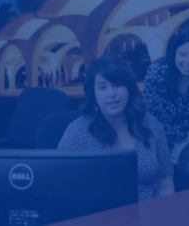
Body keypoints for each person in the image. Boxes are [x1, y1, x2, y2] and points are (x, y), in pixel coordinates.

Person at [58, 54, 174, 202]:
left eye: (117, 85)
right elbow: (61, 187)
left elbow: (165, 186)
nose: (111, 94)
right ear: (93, 92)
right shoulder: (77, 131)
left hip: (149, 216)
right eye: (102, 87)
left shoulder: (151, 125)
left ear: (129, 88)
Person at [143, 26, 189, 191]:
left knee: (186, 185)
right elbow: (149, 114)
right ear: (174, 51)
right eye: (182, 54)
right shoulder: (156, 72)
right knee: (156, 183)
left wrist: (172, 131)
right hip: (156, 136)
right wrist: (166, 134)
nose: (188, 62)